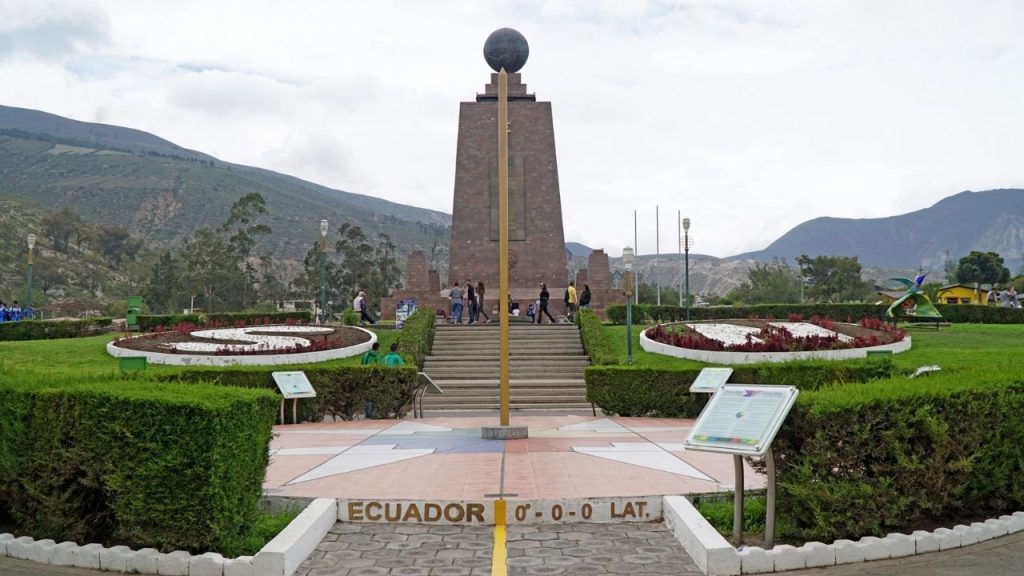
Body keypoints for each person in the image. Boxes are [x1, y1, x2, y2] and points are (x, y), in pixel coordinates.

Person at [360, 342, 381, 418]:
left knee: (366, 396)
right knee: (372, 396)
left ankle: (366, 412)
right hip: (373, 379)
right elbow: (380, 367)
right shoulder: (377, 356)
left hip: (365, 378)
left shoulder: (365, 355)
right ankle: (371, 413)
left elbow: (361, 365)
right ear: (378, 347)